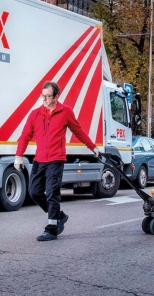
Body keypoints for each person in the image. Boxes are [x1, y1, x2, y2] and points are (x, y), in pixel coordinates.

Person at [15, 81, 99, 242]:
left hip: (56, 160)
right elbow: (25, 135)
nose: (44, 99)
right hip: (39, 160)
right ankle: (59, 215)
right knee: (34, 192)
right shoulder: (35, 114)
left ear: (56, 96)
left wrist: (93, 147)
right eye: (42, 96)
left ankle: (52, 228)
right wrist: (18, 155)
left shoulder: (65, 112)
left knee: (52, 193)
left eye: (48, 96)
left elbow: (78, 131)